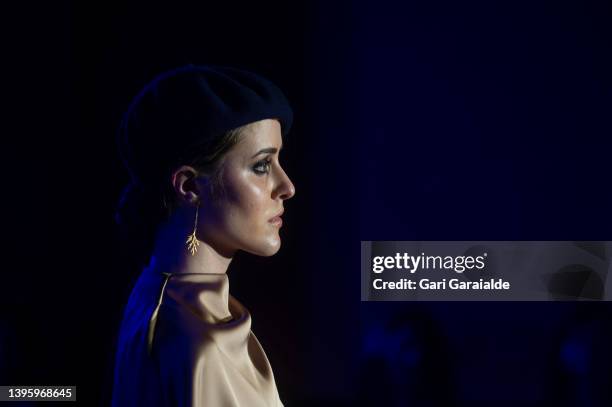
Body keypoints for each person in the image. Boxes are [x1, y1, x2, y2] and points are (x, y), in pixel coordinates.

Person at [111, 64, 295, 407]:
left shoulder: (158, 294)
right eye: (261, 166)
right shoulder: (199, 345)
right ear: (190, 185)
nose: (287, 187)